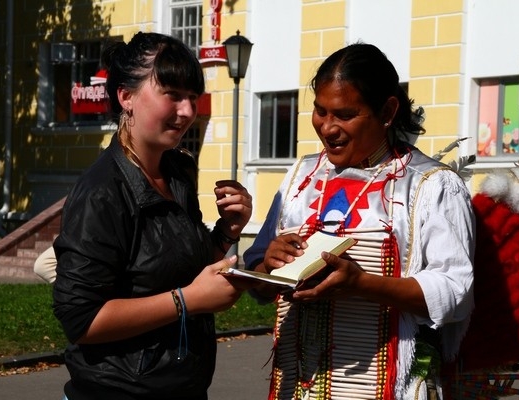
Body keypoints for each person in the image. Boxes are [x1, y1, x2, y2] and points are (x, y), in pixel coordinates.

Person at [242, 43, 475, 400]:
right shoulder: (299, 177)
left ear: (387, 111)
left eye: (345, 114)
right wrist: (265, 266)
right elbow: (257, 276)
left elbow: (456, 294)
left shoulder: (430, 185)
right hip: (297, 386)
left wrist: (362, 284)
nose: (328, 127)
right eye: (320, 111)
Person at [52, 32, 252, 400]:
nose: (189, 111)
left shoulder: (177, 172)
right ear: (126, 97)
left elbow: (183, 271)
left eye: (192, 97)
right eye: (173, 95)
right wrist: (188, 300)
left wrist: (227, 231)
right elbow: (80, 319)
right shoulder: (102, 192)